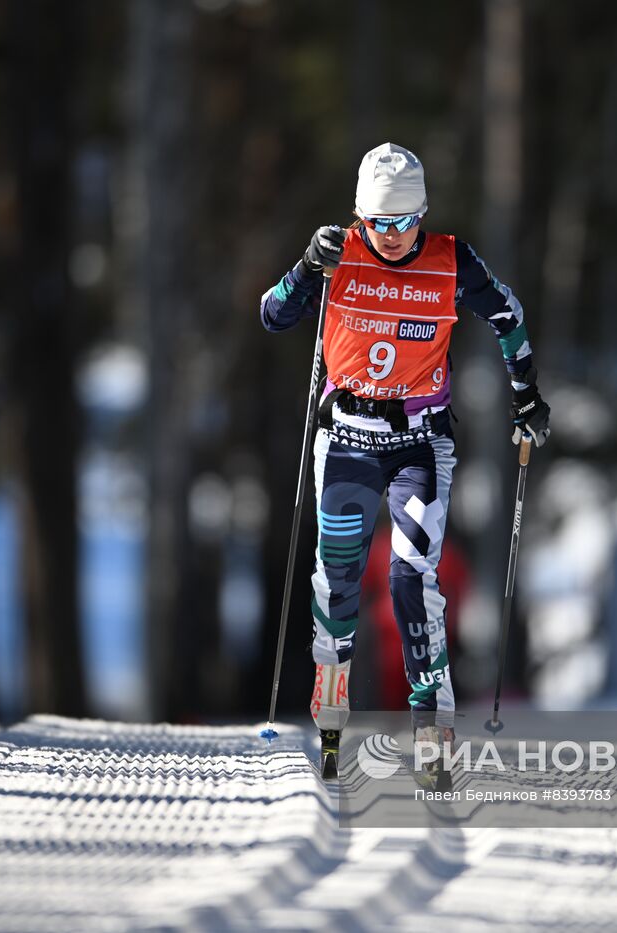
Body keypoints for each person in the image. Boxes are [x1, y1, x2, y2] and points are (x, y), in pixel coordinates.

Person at [259, 142, 550, 787]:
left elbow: (507, 314)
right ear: (359, 215)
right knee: (337, 578)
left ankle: (431, 719)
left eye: (404, 222)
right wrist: (308, 269)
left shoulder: (451, 262)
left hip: (420, 442)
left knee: (412, 577)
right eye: (377, 224)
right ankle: (329, 697)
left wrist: (527, 392)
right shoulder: (339, 253)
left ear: (423, 213)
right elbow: (274, 315)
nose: (391, 238)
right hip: (348, 439)